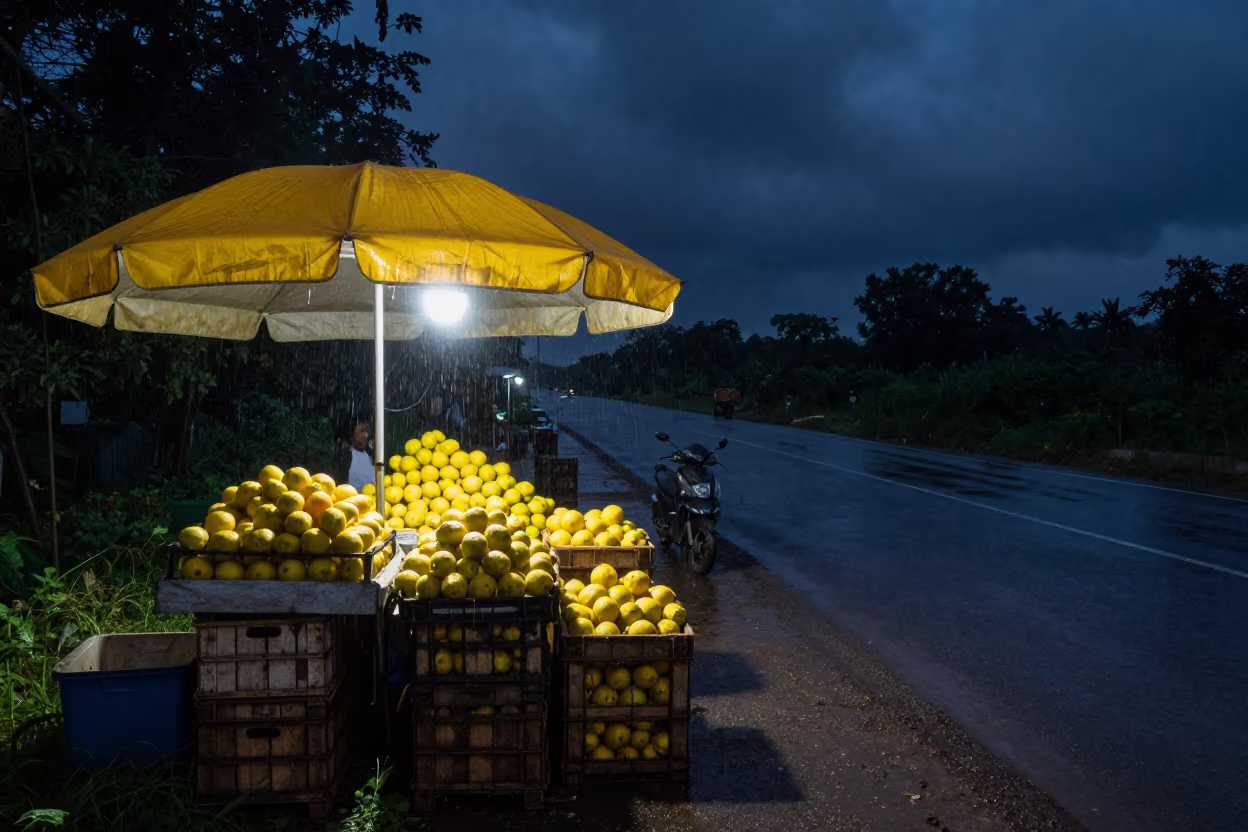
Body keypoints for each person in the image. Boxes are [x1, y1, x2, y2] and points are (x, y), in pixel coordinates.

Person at [339, 416, 374, 493]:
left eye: (366, 431)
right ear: (351, 431)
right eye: (362, 430)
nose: (365, 434)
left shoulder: (370, 456)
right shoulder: (346, 456)